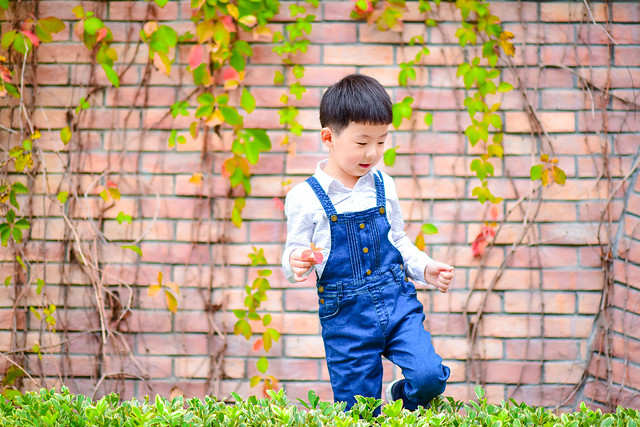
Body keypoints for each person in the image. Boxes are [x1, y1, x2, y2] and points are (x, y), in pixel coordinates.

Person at [281, 74, 453, 412]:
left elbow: (398, 239)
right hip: (346, 317)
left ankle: (400, 397)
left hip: (396, 300)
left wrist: (424, 268)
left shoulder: (384, 185)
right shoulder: (305, 198)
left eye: (381, 141)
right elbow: (291, 253)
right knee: (359, 411)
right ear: (329, 137)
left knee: (430, 376)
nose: (372, 153)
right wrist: (297, 261)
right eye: (362, 143)